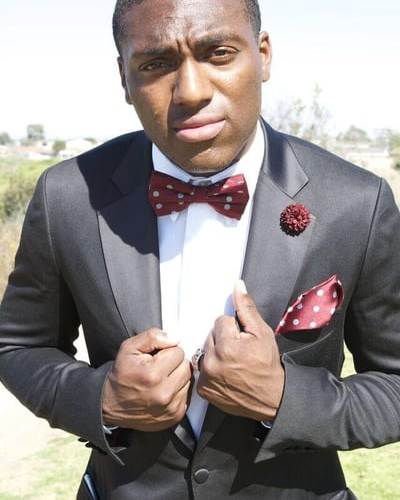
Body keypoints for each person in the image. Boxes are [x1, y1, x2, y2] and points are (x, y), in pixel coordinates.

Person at [1, 0, 400, 498]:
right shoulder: (68, 197)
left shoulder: (357, 203)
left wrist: (285, 398)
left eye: (219, 54)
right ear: (124, 78)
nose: (190, 91)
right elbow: (18, 346)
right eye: (156, 64)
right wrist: (103, 400)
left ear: (263, 55)